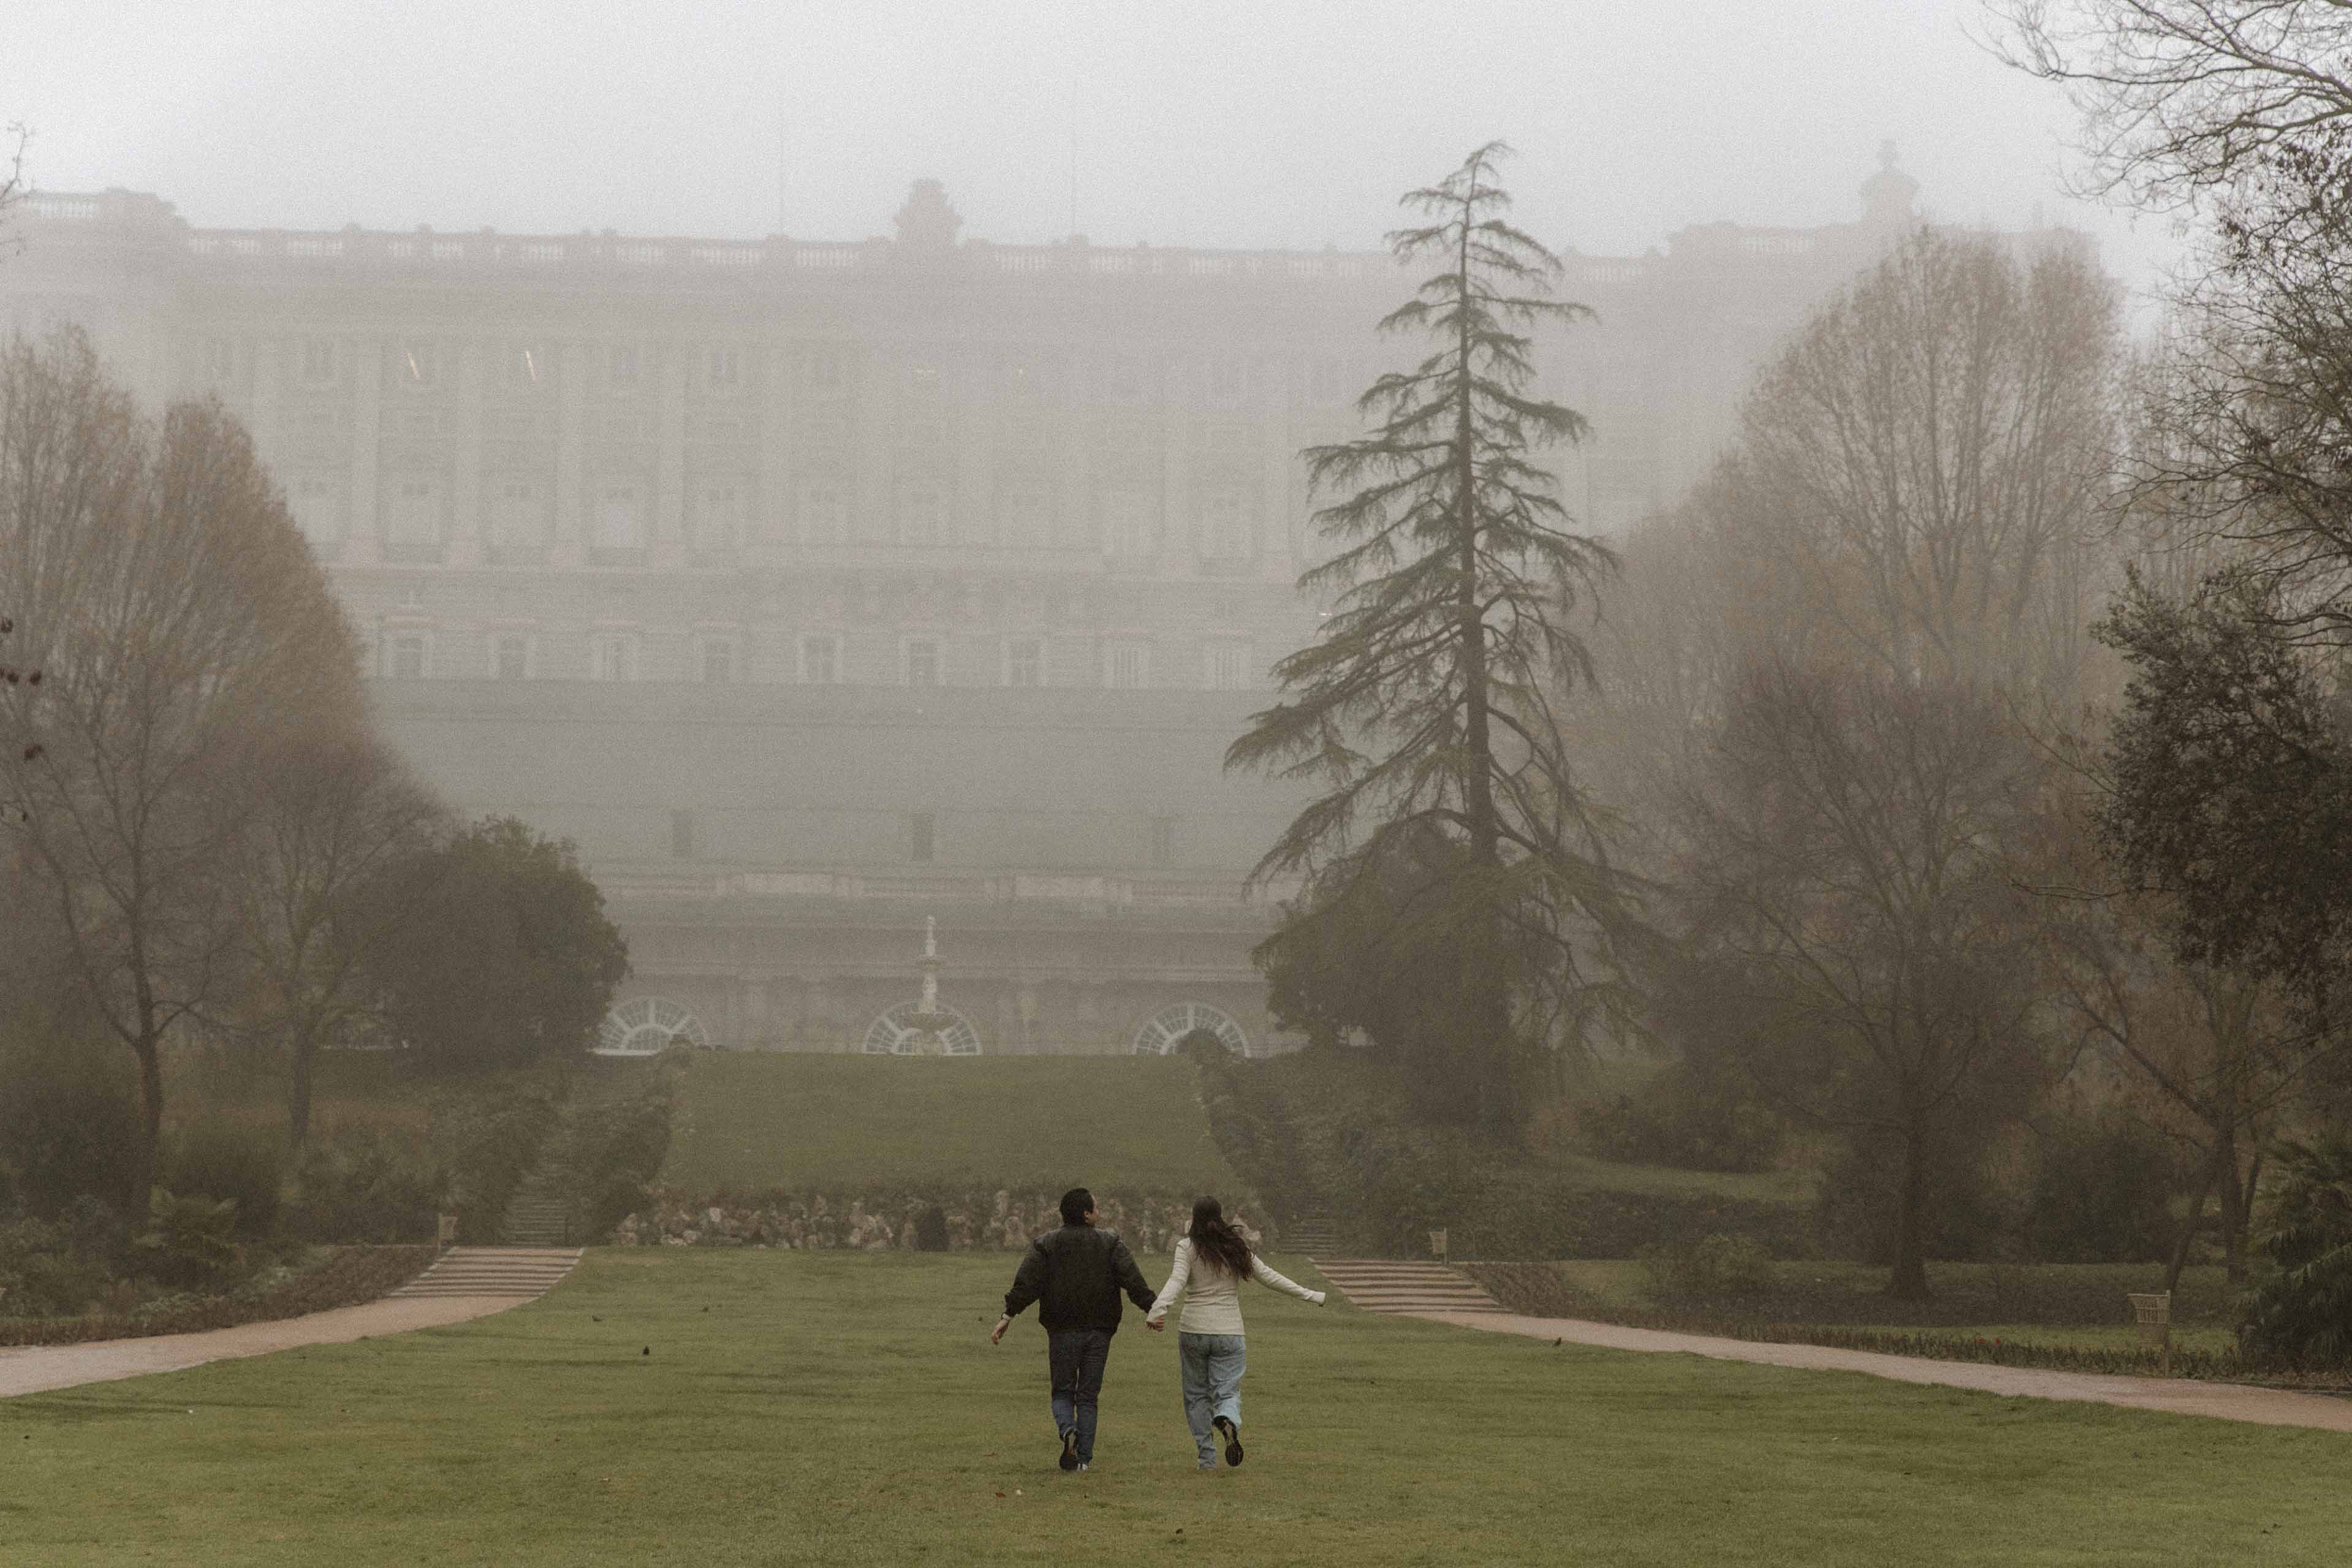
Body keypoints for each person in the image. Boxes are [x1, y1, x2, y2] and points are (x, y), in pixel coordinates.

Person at [1145, 1195, 1326, 1471]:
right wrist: (1311, 1295)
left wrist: (1158, 1310)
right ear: (1221, 1218)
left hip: (1193, 1330)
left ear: (1194, 1219)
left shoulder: (1187, 1247)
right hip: (1230, 1332)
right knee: (1227, 1392)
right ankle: (1227, 1418)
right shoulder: (1235, 1248)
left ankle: (1207, 1458)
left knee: (1196, 1396)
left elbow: (1177, 1281)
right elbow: (1270, 1277)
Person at [992, 1186, 1158, 1473]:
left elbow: (1027, 1283)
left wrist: (1008, 1315)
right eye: (1096, 1207)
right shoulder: (1110, 1243)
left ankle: (1068, 1429)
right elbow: (1132, 1280)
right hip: (1099, 1331)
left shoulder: (1046, 1244)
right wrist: (1153, 1309)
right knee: (1088, 1398)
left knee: (1062, 1393)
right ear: (1086, 1213)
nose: (1099, 1211)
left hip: (1061, 1330)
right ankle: (1083, 1460)